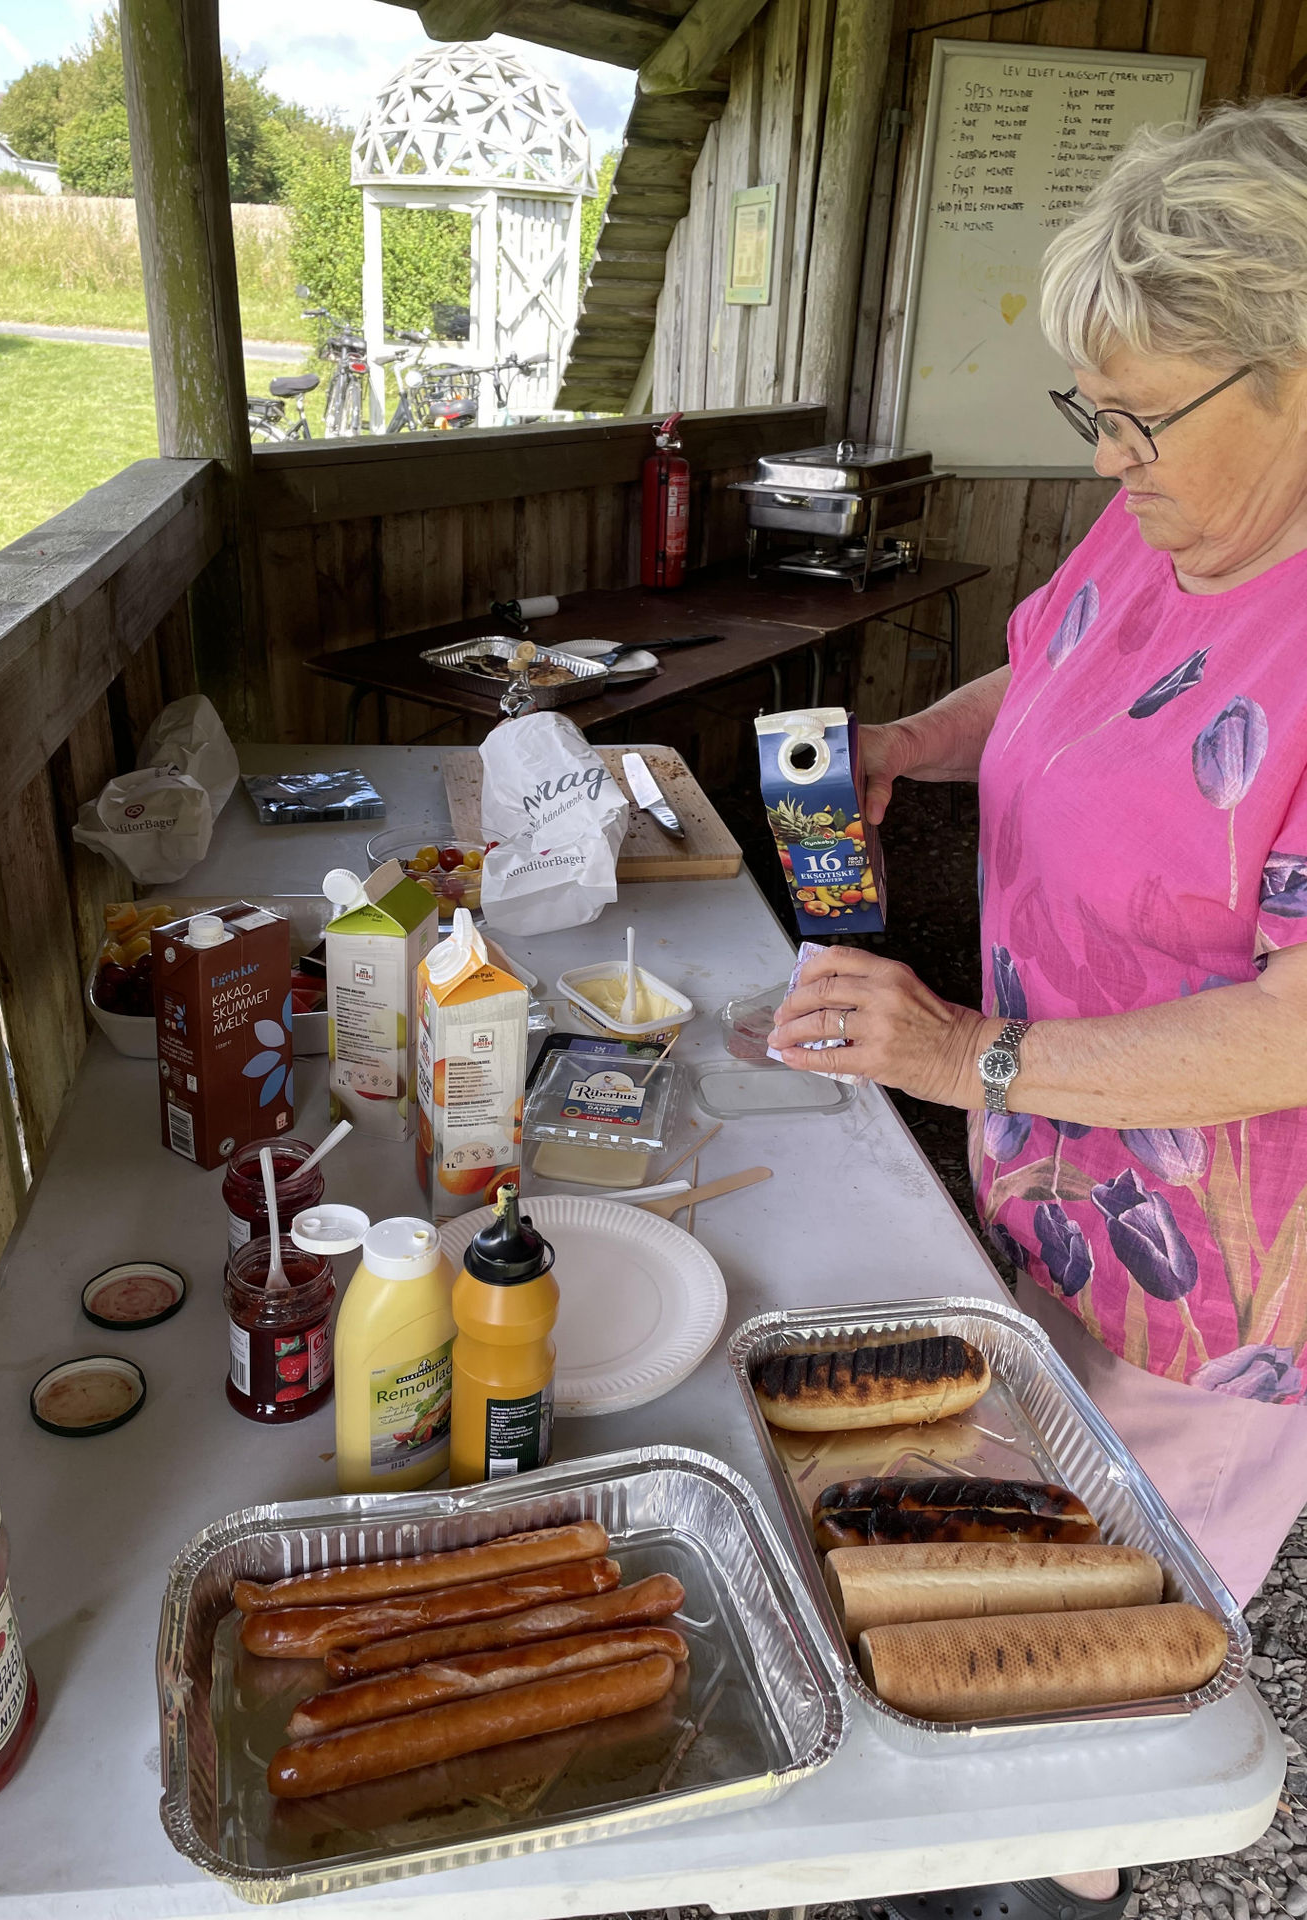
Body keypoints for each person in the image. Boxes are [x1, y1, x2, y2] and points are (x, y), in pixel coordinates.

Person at [770, 96, 1307, 1920]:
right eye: (1096, 413)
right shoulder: (1166, 522)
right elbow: (1062, 661)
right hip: (1053, 1177)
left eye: (1142, 416)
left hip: (1217, 1280)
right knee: (998, 1542)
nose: (1110, 458)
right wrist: (914, 744)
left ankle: (1047, 1883)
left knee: (1102, 1643)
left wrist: (958, 1052)